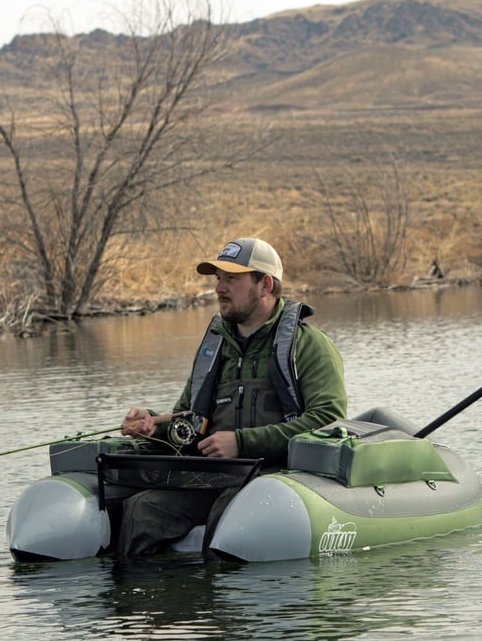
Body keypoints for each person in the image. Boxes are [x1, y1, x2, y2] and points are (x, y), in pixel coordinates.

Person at [118, 237, 348, 559]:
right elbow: (189, 420)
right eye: (218, 279)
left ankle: (220, 604)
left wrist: (243, 442)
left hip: (281, 480)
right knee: (142, 509)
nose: (219, 289)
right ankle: (152, 603)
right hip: (216, 478)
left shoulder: (309, 346)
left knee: (228, 514)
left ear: (265, 285)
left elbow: (328, 419)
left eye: (231, 279)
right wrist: (152, 426)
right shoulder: (214, 347)